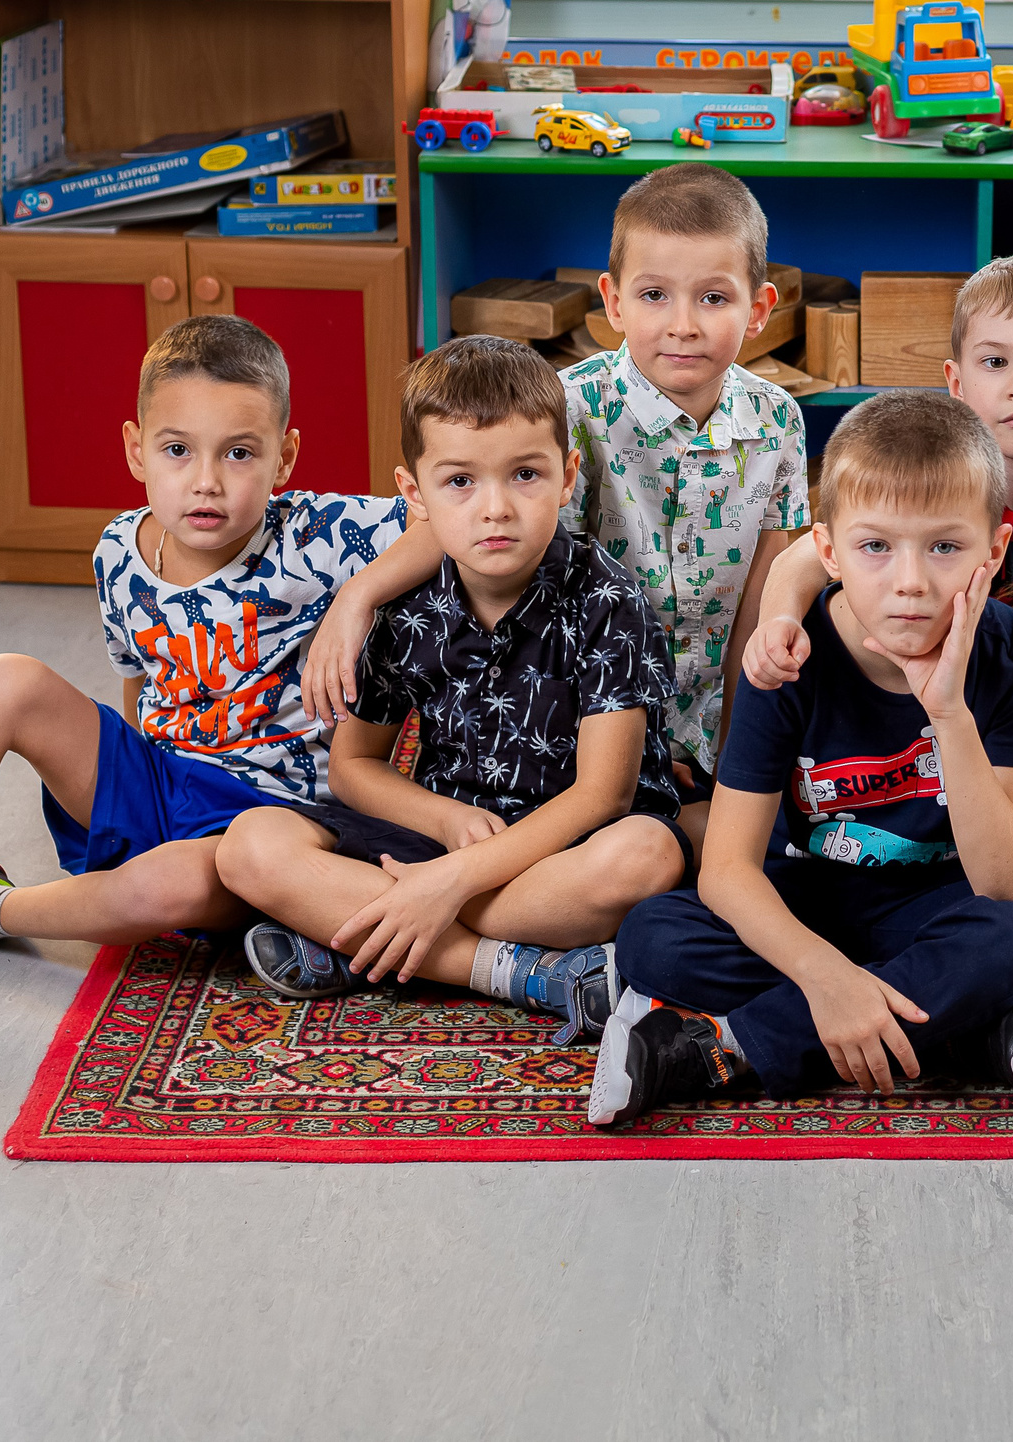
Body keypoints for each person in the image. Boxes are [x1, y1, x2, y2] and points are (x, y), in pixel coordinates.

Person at [0, 316, 433, 1012]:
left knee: (171, 887)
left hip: (265, 819)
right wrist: (124, 774)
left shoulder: (318, 533)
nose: (207, 482)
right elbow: (138, 683)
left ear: (284, 456)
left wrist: (357, 598)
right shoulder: (119, 550)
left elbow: (440, 518)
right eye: (178, 450)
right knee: (6, 678)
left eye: (240, 454)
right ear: (136, 450)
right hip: (155, 778)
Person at [587, 392, 1013, 1124]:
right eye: (876, 547)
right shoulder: (788, 657)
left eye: (945, 547)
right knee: (654, 938)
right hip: (809, 895)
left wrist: (947, 713)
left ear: (994, 551)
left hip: (937, 905)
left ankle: (725, 1046)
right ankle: (952, 1026)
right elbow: (726, 870)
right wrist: (825, 977)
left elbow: (1006, 883)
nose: (910, 582)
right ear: (830, 550)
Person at [217, 337, 688, 1036]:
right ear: (415, 495)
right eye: (460, 482)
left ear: (567, 476)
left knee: (647, 859)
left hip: (564, 852)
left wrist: (453, 884)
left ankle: (370, 936)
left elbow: (604, 796)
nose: (494, 508)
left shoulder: (608, 602)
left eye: (525, 475)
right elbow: (354, 766)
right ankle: (516, 969)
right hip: (442, 836)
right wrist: (442, 832)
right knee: (248, 845)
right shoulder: (409, 606)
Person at [557, 163, 811, 845]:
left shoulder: (777, 419)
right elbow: (552, 593)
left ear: (759, 310)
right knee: (656, 853)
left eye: (713, 299)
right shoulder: (571, 408)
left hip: (719, 715)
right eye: (654, 295)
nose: (683, 326)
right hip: (590, 716)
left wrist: (737, 746)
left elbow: (765, 590)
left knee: (775, 846)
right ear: (613, 303)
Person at [739, 254, 1013, 691]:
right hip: (942, 675)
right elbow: (808, 553)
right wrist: (780, 618)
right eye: (995, 362)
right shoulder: (936, 459)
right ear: (956, 385)